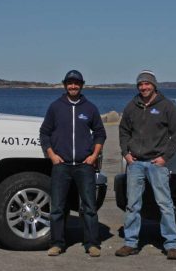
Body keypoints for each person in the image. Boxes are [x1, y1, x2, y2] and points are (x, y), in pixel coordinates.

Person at [115, 70, 176, 260]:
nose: (143, 87)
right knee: (132, 205)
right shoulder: (132, 107)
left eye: (147, 84)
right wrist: (125, 153)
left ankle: (171, 245)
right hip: (135, 163)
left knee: (165, 204)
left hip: (157, 163)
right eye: (140, 85)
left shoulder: (166, 106)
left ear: (154, 85)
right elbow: (123, 131)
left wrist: (165, 157)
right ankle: (130, 243)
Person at [40, 70, 106, 257]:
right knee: (58, 207)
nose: (73, 86)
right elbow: (44, 133)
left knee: (89, 208)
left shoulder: (90, 108)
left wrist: (94, 155)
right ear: (65, 85)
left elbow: (100, 133)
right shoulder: (55, 107)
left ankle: (92, 244)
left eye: (77, 83)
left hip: (85, 165)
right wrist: (51, 155)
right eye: (70, 83)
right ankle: (57, 243)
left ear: (82, 85)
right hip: (61, 165)